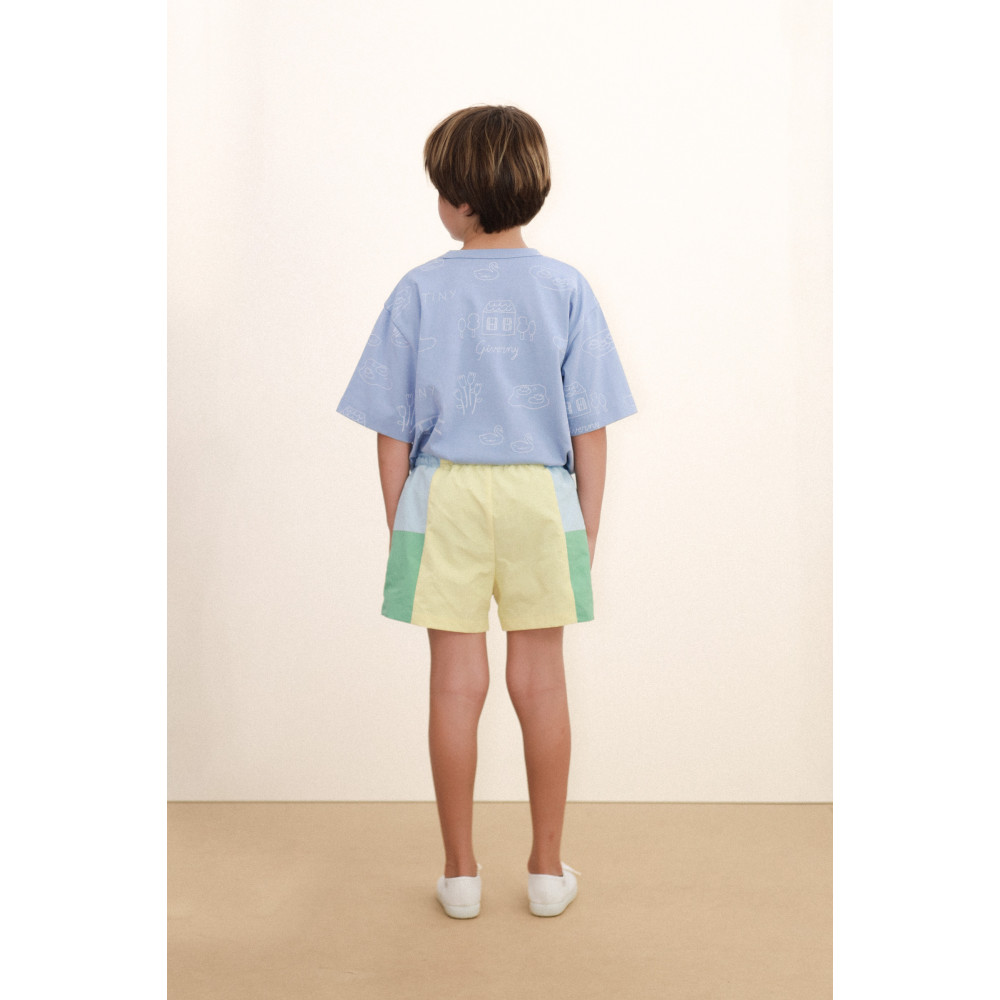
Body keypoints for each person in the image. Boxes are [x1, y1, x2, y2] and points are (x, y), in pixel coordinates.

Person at [336, 105, 637, 918]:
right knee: (541, 683)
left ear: (460, 200)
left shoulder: (419, 289)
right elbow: (591, 428)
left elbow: (392, 431)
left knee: (454, 686)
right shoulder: (565, 287)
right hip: (542, 495)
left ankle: (461, 874)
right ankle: (545, 870)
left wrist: (404, 524)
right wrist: (585, 529)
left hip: (444, 494)